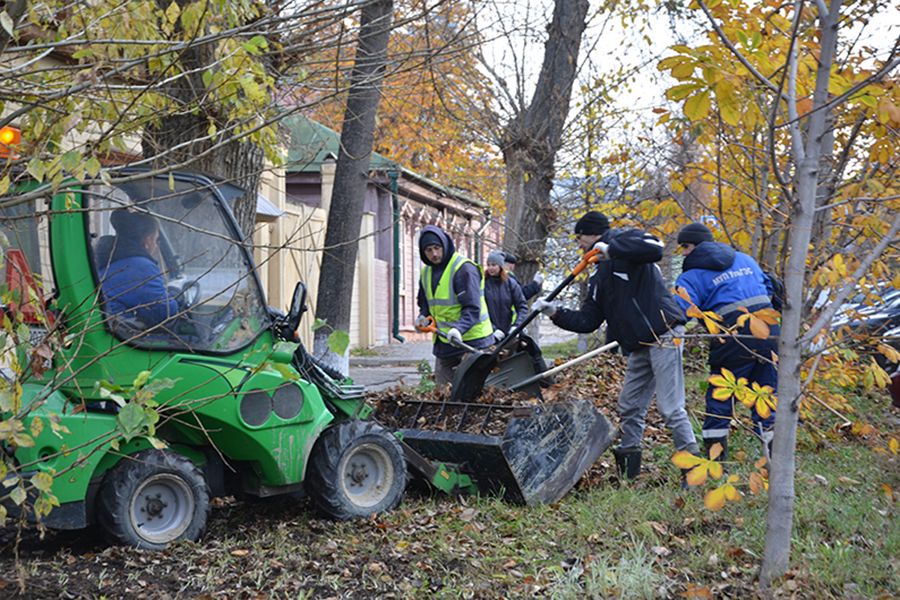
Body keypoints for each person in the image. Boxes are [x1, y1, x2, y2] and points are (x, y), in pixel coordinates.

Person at [532, 211, 699, 480]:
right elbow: (589, 320)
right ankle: (630, 465)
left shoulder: (626, 242)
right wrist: (555, 313)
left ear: (593, 233)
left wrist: (613, 248)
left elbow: (654, 248)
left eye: (580, 238)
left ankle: (693, 470)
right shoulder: (599, 276)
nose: (579, 245)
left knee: (670, 406)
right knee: (630, 405)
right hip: (638, 344)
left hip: (664, 334)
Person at [673, 222, 779, 459]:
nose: (683, 253)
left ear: (698, 246)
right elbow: (772, 287)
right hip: (769, 329)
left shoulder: (690, 277)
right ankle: (774, 464)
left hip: (733, 333)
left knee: (721, 396)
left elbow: (677, 312)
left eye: (686, 246)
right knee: (765, 393)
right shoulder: (745, 259)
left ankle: (715, 464)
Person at [416, 225, 494, 387]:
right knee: (444, 392)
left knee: (474, 392)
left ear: (444, 245)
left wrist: (459, 328)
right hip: (445, 342)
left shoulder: (463, 269)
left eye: (437, 248)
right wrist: (422, 317)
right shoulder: (426, 273)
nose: (434, 254)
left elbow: (472, 308)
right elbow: (425, 303)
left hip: (473, 342)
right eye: (428, 250)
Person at [99, 209, 179, 328]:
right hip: (121, 333)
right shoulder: (141, 267)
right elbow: (165, 312)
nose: (156, 246)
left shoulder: (108, 258)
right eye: (156, 240)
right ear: (148, 240)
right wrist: (174, 296)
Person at [484, 250, 527, 341]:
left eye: (494, 265)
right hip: (489, 333)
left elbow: (522, 306)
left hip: (508, 333)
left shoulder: (511, 284)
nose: (490, 268)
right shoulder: (483, 284)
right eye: (488, 265)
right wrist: (493, 329)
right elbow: (479, 310)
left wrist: (516, 326)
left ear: (500, 266)